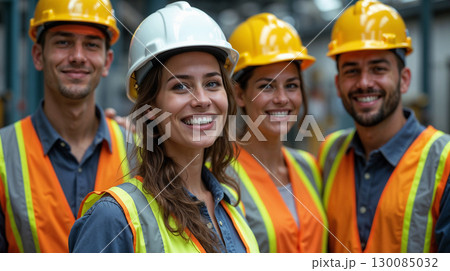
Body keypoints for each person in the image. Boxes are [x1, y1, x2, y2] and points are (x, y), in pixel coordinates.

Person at [68, 1, 259, 253]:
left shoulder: (231, 208)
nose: (202, 100)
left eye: (212, 83)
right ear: (150, 108)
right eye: (180, 86)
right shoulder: (115, 219)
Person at [318, 0, 450, 252]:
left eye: (378, 69)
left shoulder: (444, 160)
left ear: (404, 80)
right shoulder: (330, 152)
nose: (364, 82)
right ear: (337, 84)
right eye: (351, 71)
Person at [0, 0, 131, 252]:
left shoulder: (138, 152)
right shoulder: (4, 154)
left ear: (107, 61)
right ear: (38, 55)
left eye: (91, 45)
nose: (78, 57)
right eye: (63, 42)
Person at [226, 13, 328, 253]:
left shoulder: (309, 167)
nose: (282, 99)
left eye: (291, 85)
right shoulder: (219, 175)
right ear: (240, 95)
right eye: (267, 86)